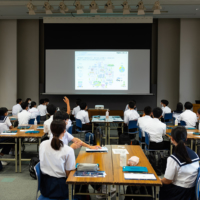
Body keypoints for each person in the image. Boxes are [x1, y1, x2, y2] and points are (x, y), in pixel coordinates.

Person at [39, 120, 82, 200]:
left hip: (45, 186)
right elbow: (68, 174)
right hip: (61, 188)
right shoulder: (68, 150)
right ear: (64, 131)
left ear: (51, 130)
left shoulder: (42, 144)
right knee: (82, 185)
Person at [159, 126, 199, 200]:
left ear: (172, 139)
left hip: (179, 192)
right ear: (186, 139)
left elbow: (167, 181)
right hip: (193, 192)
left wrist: (160, 180)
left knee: (162, 186)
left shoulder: (172, 158)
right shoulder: (195, 154)